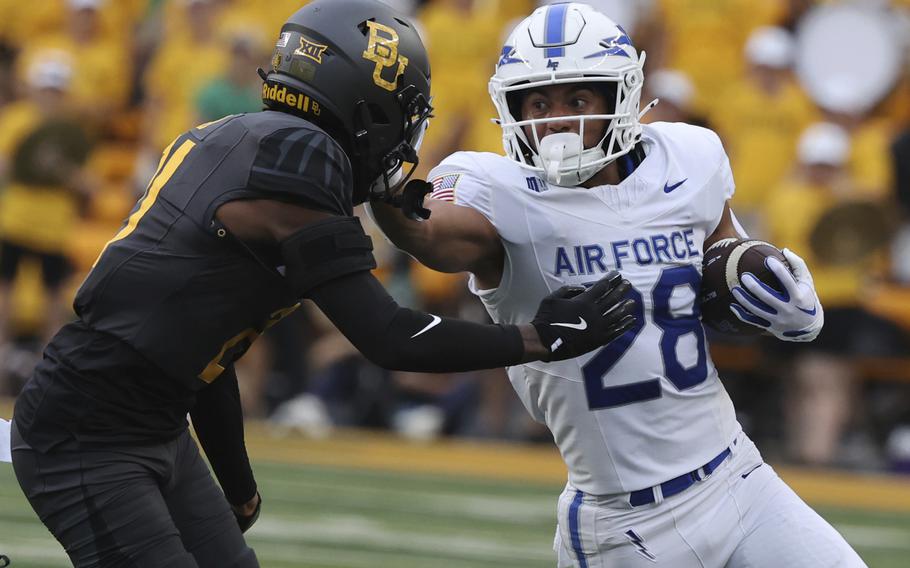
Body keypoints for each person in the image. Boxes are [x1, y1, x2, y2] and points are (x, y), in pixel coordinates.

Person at [8, 2, 637, 567]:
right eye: (402, 111)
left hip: (149, 418)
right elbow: (392, 338)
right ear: (366, 103)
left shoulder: (236, 137)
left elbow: (203, 349)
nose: (403, 133)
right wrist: (538, 337)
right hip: (88, 433)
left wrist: (236, 480)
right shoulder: (299, 160)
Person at [369, 3, 866, 566]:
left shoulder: (688, 156)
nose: (554, 119)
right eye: (538, 102)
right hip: (625, 523)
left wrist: (781, 301)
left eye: (577, 100)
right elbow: (431, 234)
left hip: (737, 474)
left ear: (620, 97)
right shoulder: (499, 188)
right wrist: (383, 180)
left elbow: (727, 255)